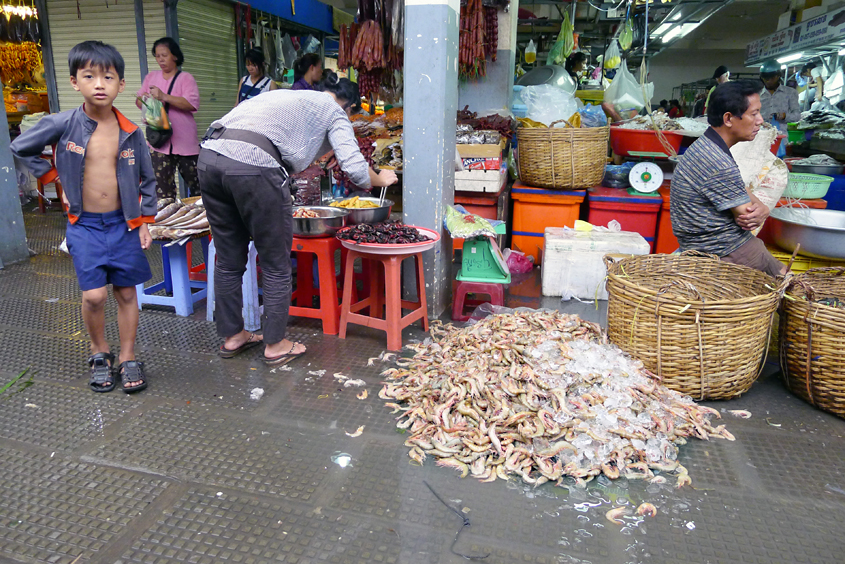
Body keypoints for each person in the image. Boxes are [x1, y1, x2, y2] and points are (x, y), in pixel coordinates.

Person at [198, 72, 399, 366]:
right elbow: (356, 170)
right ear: (350, 108)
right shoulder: (334, 112)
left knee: (229, 259)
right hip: (255, 165)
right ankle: (276, 344)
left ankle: (233, 337)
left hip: (210, 158)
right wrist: (381, 177)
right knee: (276, 262)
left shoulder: (288, 95)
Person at [11, 41, 156, 392]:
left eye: (108, 77)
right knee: (93, 296)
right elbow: (19, 146)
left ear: (121, 84)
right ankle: (98, 350)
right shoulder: (63, 123)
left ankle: (127, 355)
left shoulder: (131, 131)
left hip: (124, 224)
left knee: (125, 293)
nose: (100, 84)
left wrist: (146, 222)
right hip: (84, 225)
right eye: (89, 76)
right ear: (75, 82)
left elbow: (149, 179)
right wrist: (49, 175)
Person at [670, 81, 786, 277]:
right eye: (754, 113)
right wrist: (764, 209)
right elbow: (749, 218)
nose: (760, 120)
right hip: (726, 249)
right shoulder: (715, 161)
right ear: (729, 119)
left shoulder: (707, 145)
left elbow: (739, 189)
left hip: (713, 244)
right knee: (789, 282)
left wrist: (758, 205)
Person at [137, 37, 201, 199]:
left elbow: (191, 104)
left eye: (164, 55)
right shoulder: (151, 77)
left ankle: (202, 219)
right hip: (160, 143)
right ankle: (169, 221)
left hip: (185, 144)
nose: (161, 60)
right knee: (162, 191)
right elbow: (138, 101)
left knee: (198, 186)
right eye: (158, 56)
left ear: (175, 56)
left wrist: (164, 96)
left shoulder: (186, 78)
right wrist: (145, 100)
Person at [759, 59, 801, 130]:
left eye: (772, 78)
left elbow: (797, 116)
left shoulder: (790, 93)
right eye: (765, 78)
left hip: (781, 135)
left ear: (778, 76)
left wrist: (784, 116)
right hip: (760, 134)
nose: (768, 81)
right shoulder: (757, 94)